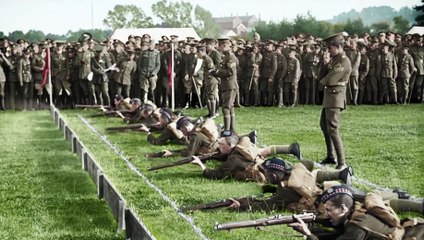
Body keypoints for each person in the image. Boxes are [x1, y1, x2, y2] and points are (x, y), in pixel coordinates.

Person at [289, 185, 424, 240]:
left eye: (329, 210)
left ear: (343, 208)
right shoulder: (358, 208)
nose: (326, 214)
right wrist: (313, 223)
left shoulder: (357, 225)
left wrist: (307, 233)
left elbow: (346, 233)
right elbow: (340, 231)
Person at [191, 132, 302, 182]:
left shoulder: (233, 160)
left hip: (266, 175)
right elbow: (222, 156)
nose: (219, 147)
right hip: (267, 165)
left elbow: (216, 175)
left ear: (230, 145)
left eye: (221, 145)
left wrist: (201, 165)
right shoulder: (241, 149)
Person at [318, 33, 352, 170]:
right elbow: (322, 75)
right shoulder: (335, 60)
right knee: (324, 126)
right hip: (330, 97)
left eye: (330, 48)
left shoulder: (343, 61)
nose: (328, 51)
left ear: (337, 47)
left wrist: (321, 83)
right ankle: (331, 156)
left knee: (332, 129)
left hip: (335, 97)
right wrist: (325, 64)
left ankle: (342, 162)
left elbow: (330, 80)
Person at [212, 38, 237, 132]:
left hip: (230, 85)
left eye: (220, 46)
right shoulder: (226, 56)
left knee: (226, 107)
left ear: (225, 45)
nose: (219, 48)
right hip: (227, 85)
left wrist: (218, 72)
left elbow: (230, 72)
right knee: (229, 107)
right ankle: (231, 129)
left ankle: (228, 130)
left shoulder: (230, 57)